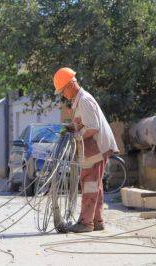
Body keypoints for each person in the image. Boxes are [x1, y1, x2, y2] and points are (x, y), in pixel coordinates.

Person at [53, 67, 119, 233]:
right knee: (94, 185)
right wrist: (71, 127)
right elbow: (81, 122)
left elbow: (93, 127)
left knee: (89, 182)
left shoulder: (84, 100)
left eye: (62, 91)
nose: (63, 95)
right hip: (94, 148)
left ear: (70, 85)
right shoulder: (79, 100)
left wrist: (76, 135)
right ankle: (97, 221)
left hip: (97, 147)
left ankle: (86, 222)